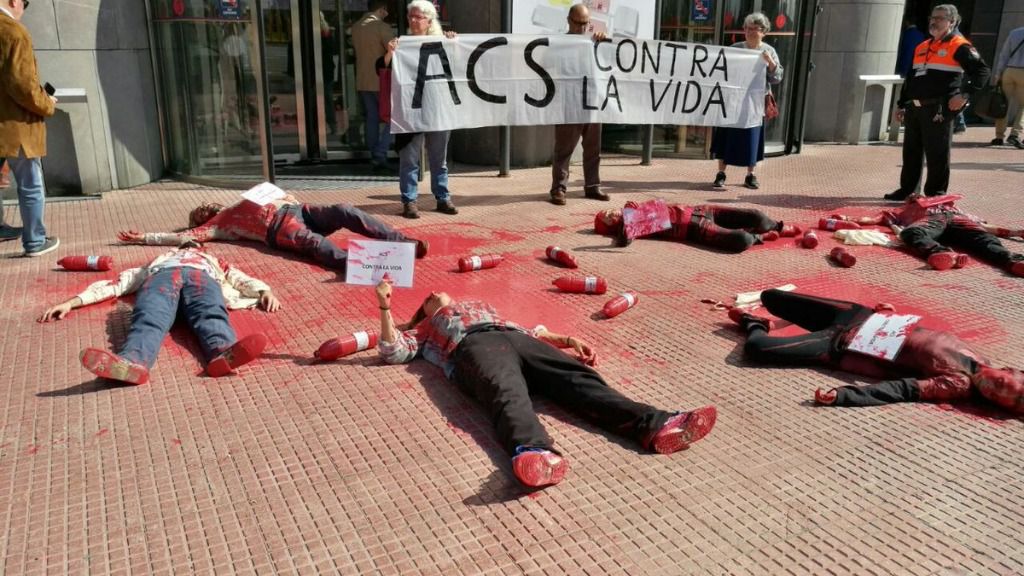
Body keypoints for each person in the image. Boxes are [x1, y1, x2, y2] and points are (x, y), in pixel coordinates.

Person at [373, 280, 717, 488]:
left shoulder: (482, 306)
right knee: (506, 393)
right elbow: (393, 350)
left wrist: (566, 339)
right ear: (426, 311)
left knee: (578, 379)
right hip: (474, 348)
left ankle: (656, 425)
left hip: (515, 338)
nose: (434, 292)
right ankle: (534, 452)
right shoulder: (426, 331)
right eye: (429, 298)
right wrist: (385, 307)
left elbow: (528, 330)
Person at [730, 289, 1024, 415]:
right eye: (999, 383)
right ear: (1009, 371)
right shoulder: (979, 358)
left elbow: (900, 390)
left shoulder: (956, 384)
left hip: (839, 345)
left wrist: (845, 396)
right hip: (861, 317)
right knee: (772, 296)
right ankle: (765, 311)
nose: (988, 388)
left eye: (994, 397)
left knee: (757, 348)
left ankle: (753, 322)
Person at [38, 242, 281, 385]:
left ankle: (222, 353)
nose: (188, 246)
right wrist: (72, 302)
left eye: (193, 244)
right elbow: (120, 282)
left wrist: (264, 291)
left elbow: (238, 278)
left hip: (202, 279)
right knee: (149, 317)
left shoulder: (213, 260)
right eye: (184, 245)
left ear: (200, 248)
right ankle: (132, 362)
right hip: (162, 278)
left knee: (210, 313)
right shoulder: (157, 261)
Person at [116, 192, 429, 273]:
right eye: (198, 212)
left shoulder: (243, 199)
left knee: (345, 210)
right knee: (317, 246)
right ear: (199, 219)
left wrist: (287, 198)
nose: (204, 207)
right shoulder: (219, 225)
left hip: (299, 209)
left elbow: (281, 194)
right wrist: (145, 237)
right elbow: (182, 237)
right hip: (281, 228)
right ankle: (371, 265)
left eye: (203, 206)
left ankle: (403, 243)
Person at [884, 4, 989, 201]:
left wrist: (964, 95)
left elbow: (982, 72)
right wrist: (901, 103)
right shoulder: (923, 46)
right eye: (933, 17)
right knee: (911, 152)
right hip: (915, 107)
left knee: (937, 154)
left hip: (939, 108)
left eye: (940, 18)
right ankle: (908, 189)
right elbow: (912, 78)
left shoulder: (959, 45)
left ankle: (935, 194)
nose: (935, 21)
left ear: (952, 22)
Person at [831, 195, 1024, 276]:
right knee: (912, 232)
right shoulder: (902, 211)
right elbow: (871, 219)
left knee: (984, 238)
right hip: (940, 222)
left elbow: (984, 226)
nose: (914, 197)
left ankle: (1012, 261)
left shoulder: (945, 204)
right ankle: (944, 254)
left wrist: (1014, 232)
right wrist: (846, 217)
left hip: (949, 219)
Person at [0, 0, 60, 256]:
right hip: (16, 126)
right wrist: (47, 103)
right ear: (14, 1)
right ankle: (35, 240)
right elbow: (22, 85)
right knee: (30, 183)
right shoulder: (14, 31)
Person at [392, 0, 459, 219]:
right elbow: (381, 67)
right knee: (409, 159)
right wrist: (390, 52)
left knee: (439, 159)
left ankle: (442, 197)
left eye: (417, 16)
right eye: (410, 16)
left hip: (438, 110)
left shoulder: (443, 42)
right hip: (411, 111)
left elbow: (459, 68)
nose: (412, 20)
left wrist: (454, 44)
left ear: (429, 20)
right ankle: (409, 201)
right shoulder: (401, 44)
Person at [710, 12, 783, 191]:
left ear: (763, 32)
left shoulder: (768, 51)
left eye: (755, 29)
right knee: (726, 136)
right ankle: (721, 173)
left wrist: (771, 64)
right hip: (734, 101)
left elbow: (777, 77)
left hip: (755, 103)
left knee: (752, 138)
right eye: (748, 29)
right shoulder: (736, 48)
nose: (750, 32)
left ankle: (750, 174)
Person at [548, 3, 610, 206]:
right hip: (569, 103)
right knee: (564, 149)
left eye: (586, 24)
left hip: (592, 102)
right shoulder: (559, 43)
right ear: (568, 20)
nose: (582, 28)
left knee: (593, 149)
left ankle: (592, 186)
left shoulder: (595, 41)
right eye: (578, 23)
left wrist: (602, 42)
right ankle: (558, 188)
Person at [593, 201, 800, 252]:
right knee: (740, 240)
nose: (611, 213)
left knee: (755, 215)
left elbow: (630, 205)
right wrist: (624, 225)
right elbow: (624, 240)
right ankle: (757, 237)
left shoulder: (631, 208)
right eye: (607, 217)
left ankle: (777, 227)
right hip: (693, 227)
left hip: (701, 210)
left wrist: (626, 212)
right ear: (609, 227)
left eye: (607, 211)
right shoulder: (629, 227)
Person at [351, 1, 393, 167]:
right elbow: (394, 50)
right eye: (386, 10)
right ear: (381, 8)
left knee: (372, 117)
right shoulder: (381, 27)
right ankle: (380, 152)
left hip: (362, 80)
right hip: (381, 79)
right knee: (394, 118)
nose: (387, 14)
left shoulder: (356, 27)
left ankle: (373, 151)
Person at [991, 25, 1024, 148]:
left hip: (1009, 71)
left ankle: (999, 136)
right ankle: (1015, 135)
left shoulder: (1015, 32)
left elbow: (1004, 54)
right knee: (1023, 106)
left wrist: (998, 73)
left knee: (1002, 103)